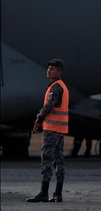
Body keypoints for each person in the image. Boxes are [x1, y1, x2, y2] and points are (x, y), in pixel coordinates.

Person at [27, 59, 70, 203]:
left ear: (59, 72)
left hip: (51, 129)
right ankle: (58, 193)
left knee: (46, 159)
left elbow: (49, 105)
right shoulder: (61, 86)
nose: (49, 71)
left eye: (52, 69)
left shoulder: (56, 87)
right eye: (49, 68)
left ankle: (44, 193)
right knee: (59, 160)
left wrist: (39, 118)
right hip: (60, 129)